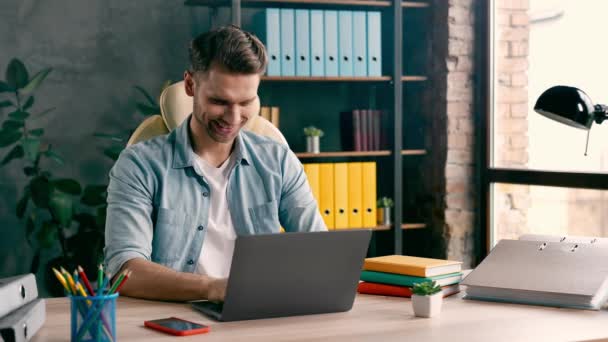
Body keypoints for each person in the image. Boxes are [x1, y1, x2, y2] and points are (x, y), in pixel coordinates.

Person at [104, 25, 326, 302]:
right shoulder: (139, 165)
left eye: (246, 102)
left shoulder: (279, 161)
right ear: (190, 85)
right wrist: (212, 289)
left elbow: (319, 250)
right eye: (219, 101)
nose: (234, 118)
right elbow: (125, 271)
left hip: (259, 313)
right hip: (176, 317)